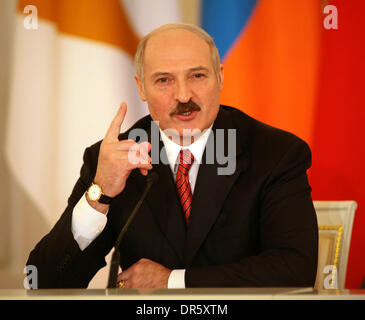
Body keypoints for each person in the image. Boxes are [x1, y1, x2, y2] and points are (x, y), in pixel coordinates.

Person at [27, 23, 318, 289]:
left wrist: (172, 280)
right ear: (141, 87)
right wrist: (99, 195)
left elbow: (295, 269)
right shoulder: (113, 159)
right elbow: (42, 281)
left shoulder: (275, 153)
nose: (183, 95)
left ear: (220, 77)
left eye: (197, 75)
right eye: (164, 80)